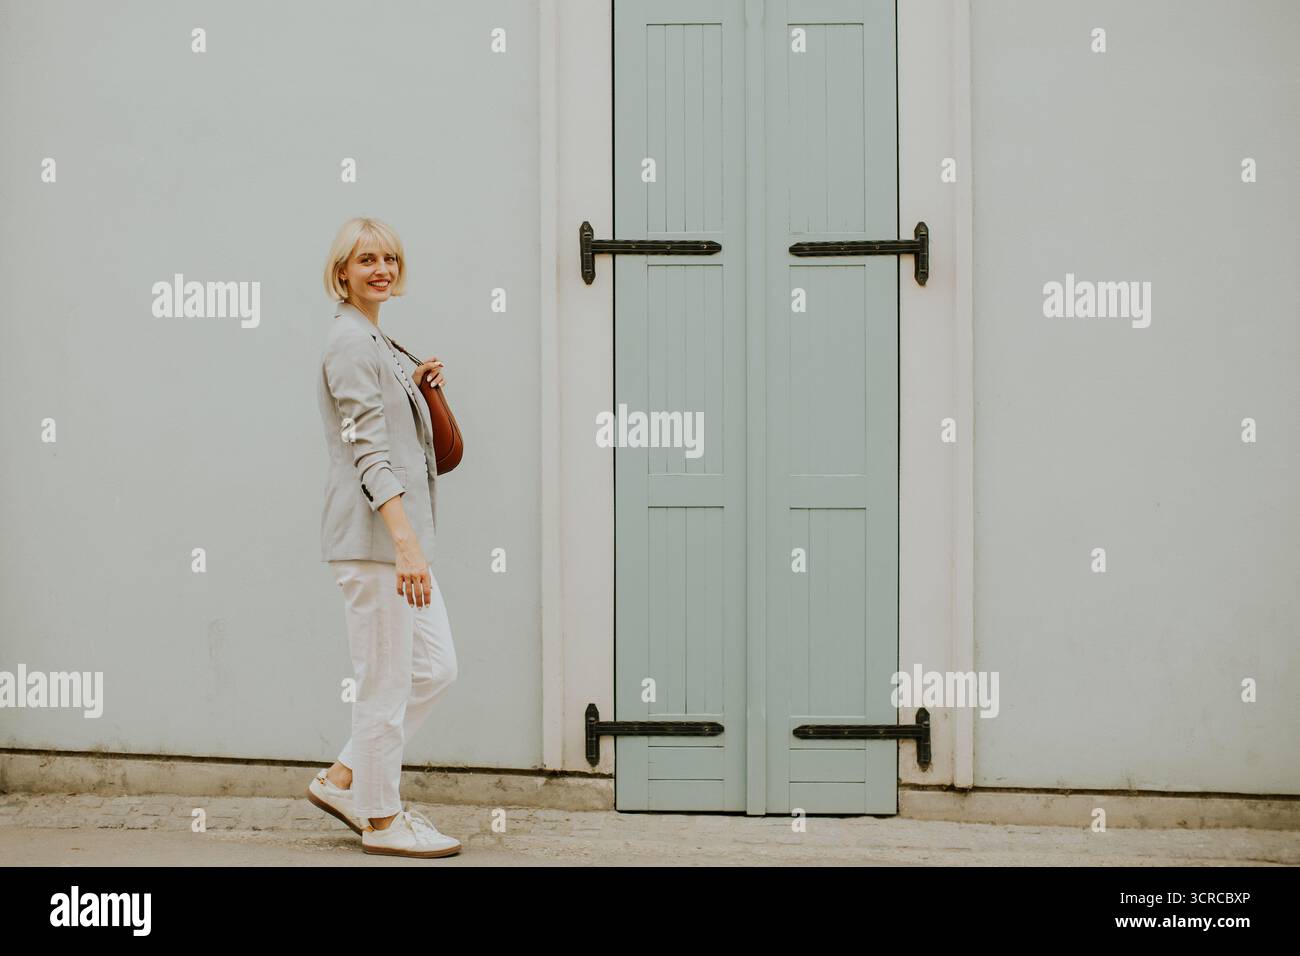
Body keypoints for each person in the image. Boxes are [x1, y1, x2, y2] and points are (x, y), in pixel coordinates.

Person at [307, 216, 460, 858]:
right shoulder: (348, 342)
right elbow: (368, 450)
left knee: (434, 668)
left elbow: (410, 444)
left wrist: (422, 389)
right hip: (377, 546)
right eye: (366, 259)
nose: (381, 269)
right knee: (385, 682)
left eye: (389, 258)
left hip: (398, 543)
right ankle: (379, 818)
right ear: (341, 272)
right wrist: (405, 547)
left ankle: (347, 778)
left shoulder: (379, 341)